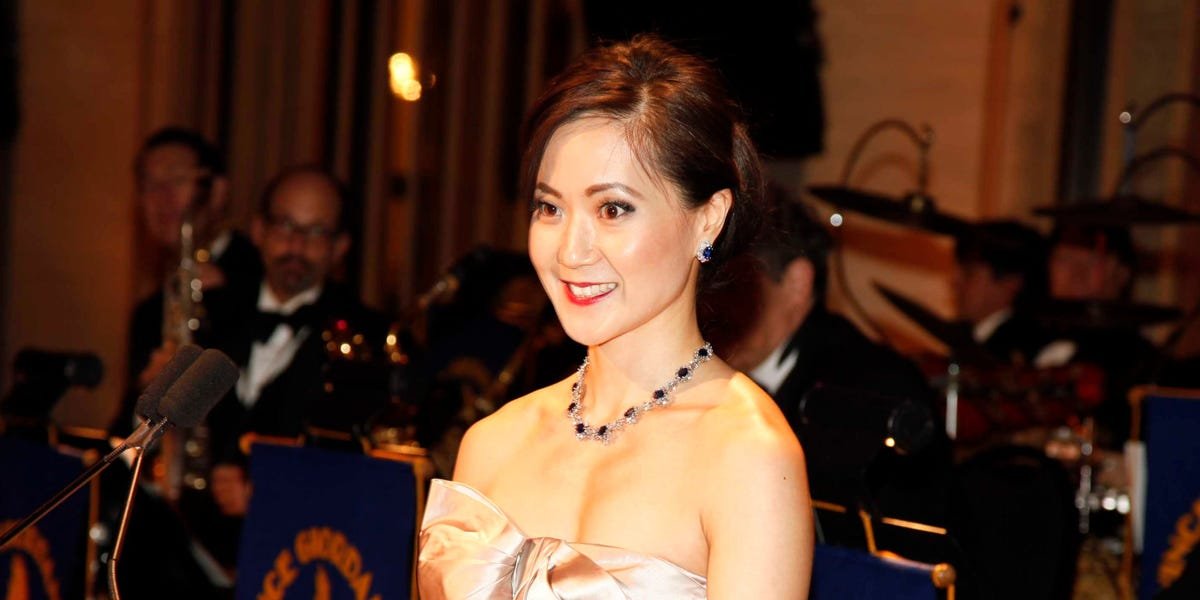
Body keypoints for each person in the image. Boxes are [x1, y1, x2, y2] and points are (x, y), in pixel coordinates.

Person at [418, 35, 812, 598]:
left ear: (708, 219)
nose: (570, 251)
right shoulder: (491, 444)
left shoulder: (747, 456)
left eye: (612, 209)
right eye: (549, 207)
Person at [720, 188, 948, 535]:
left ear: (796, 284)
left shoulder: (875, 386)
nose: (712, 302)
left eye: (733, 284)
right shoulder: (705, 371)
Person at [112, 127, 263, 436]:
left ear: (217, 191)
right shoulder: (150, 311)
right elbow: (121, 438)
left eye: (177, 180)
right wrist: (151, 398)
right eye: (150, 185)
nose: (163, 198)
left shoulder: (262, 280)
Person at [953, 220, 1050, 365]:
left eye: (969, 274)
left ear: (1010, 282)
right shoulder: (968, 338)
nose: (956, 282)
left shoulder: (1015, 350)